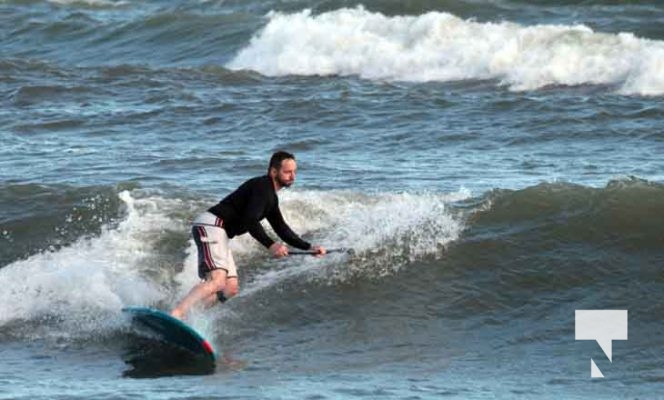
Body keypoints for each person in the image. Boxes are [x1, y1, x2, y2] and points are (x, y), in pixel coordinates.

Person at [171, 151, 326, 320]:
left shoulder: (271, 198)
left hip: (221, 232)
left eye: (294, 172)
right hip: (211, 225)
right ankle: (177, 313)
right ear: (273, 172)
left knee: (230, 288)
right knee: (217, 280)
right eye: (287, 172)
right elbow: (249, 219)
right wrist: (271, 244)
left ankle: (188, 314)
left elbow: (282, 228)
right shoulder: (262, 187)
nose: (292, 176)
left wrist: (309, 247)